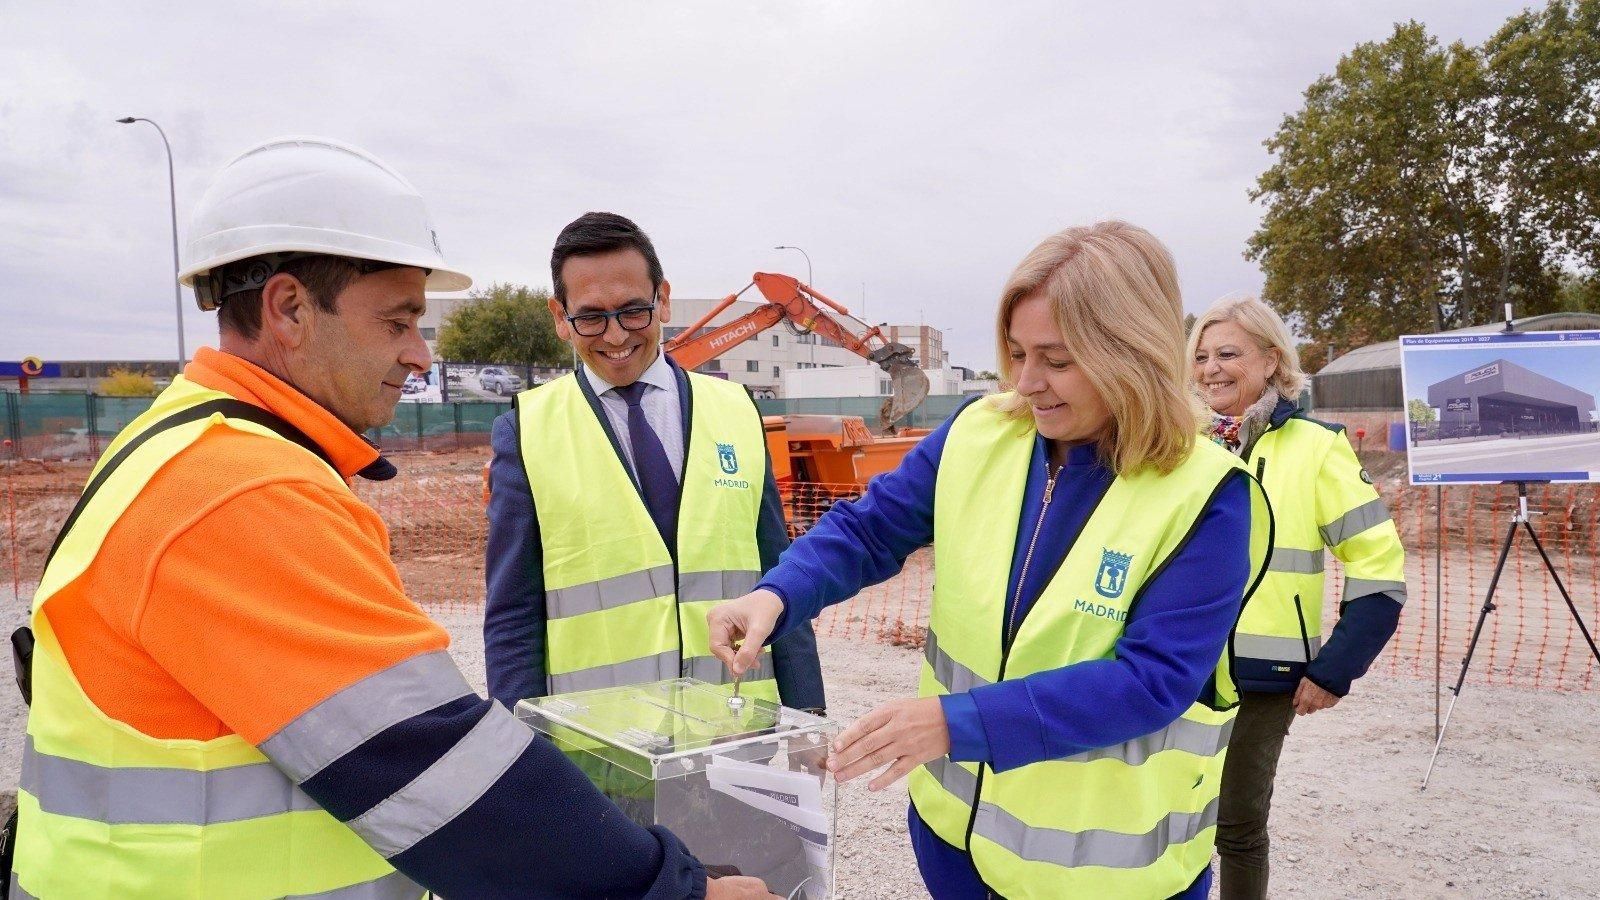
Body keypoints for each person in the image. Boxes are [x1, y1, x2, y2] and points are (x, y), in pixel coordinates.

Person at [11, 137, 772, 899]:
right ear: (289, 310)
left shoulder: (188, 446)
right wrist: (679, 890)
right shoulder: (239, 490)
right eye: (398, 321)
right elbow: (435, 771)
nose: (417, 354)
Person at [708, 221, 1274, 899]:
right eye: (1016, 352)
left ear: (1132, 351)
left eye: (1057, 360)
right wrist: (775, 594)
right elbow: (871, 529)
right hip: (956, 846)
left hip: (1104, 878)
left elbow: (1152, 681)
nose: (1027, 382)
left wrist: (955, 723)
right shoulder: (982, 432)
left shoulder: (1209, 495)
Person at [483, 212, 824, 712]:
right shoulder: (528, 430)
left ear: (662, 298)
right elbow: (514, 614)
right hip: (600, 750)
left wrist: (807, 715)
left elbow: (778, 576)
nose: (616, 336)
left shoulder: (736, 412)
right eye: (591, 317)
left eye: (633, 311)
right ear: (560, 317)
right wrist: (522, 756)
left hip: (731, 737)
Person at [1187, 294, 1406, 899]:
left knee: (1236, 824)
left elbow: (1379, 565)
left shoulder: (1317, 448)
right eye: (1201, 356)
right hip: (1173, 667)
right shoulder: (1180, 444)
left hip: (1265, 677)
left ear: (1271, 360)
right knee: (1161, 819)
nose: (1211, 368)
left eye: (1228, 353)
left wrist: (1335, 670)